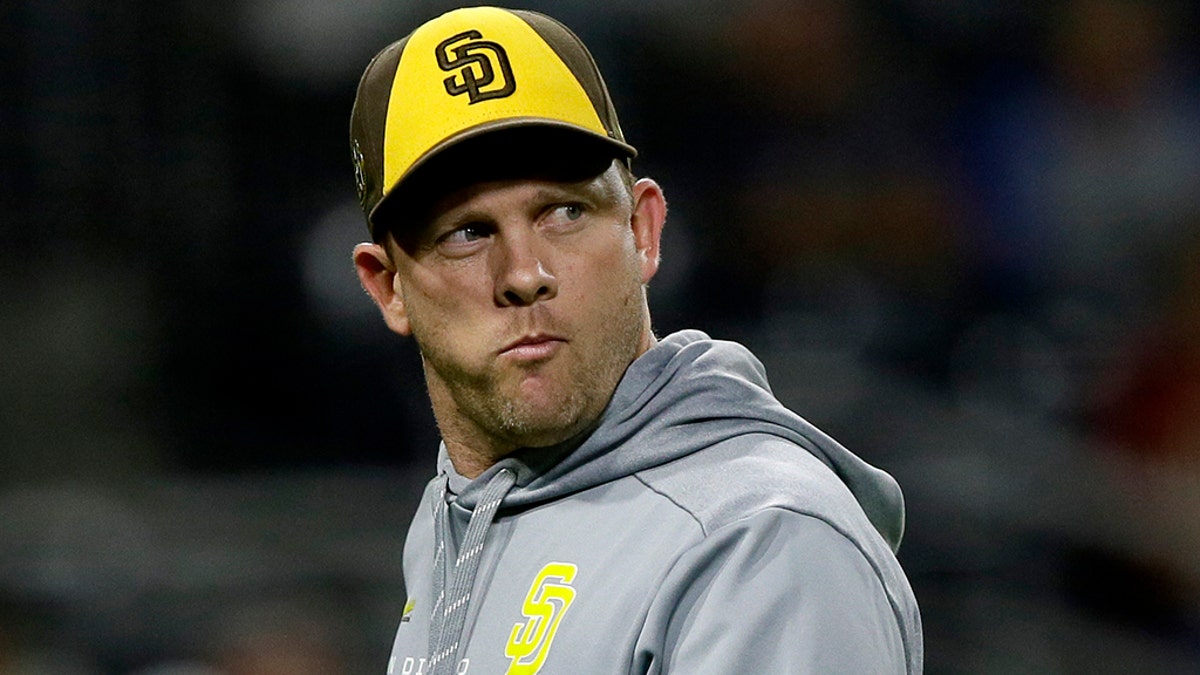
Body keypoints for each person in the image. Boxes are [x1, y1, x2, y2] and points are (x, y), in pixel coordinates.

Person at [349, 6, 922, 674]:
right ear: (388, 286)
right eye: (467, 233)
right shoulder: (453, 520)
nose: (524, 275)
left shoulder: (757, 540)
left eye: (565, 212)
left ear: (644, 231)